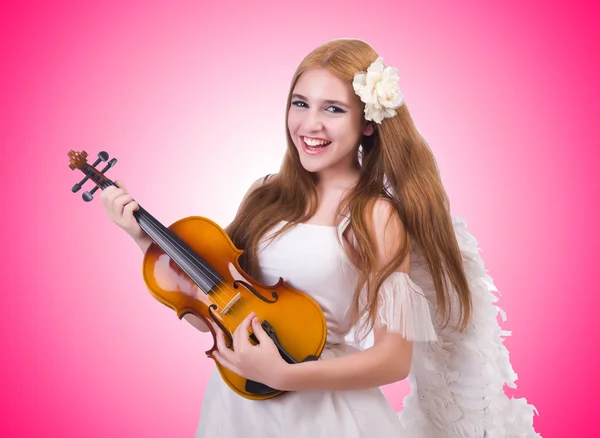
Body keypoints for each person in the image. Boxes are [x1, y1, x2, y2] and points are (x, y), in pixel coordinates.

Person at [100, 38, 542, 437]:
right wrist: (146, 242)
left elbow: (393, 360)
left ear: (368, 123)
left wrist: (284, 376)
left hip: (324, 416)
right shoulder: (266, 195)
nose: (309, 125)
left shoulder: (376, 215)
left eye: (333, 109)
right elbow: (214, 315)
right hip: (235, 408)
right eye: (300, 103)